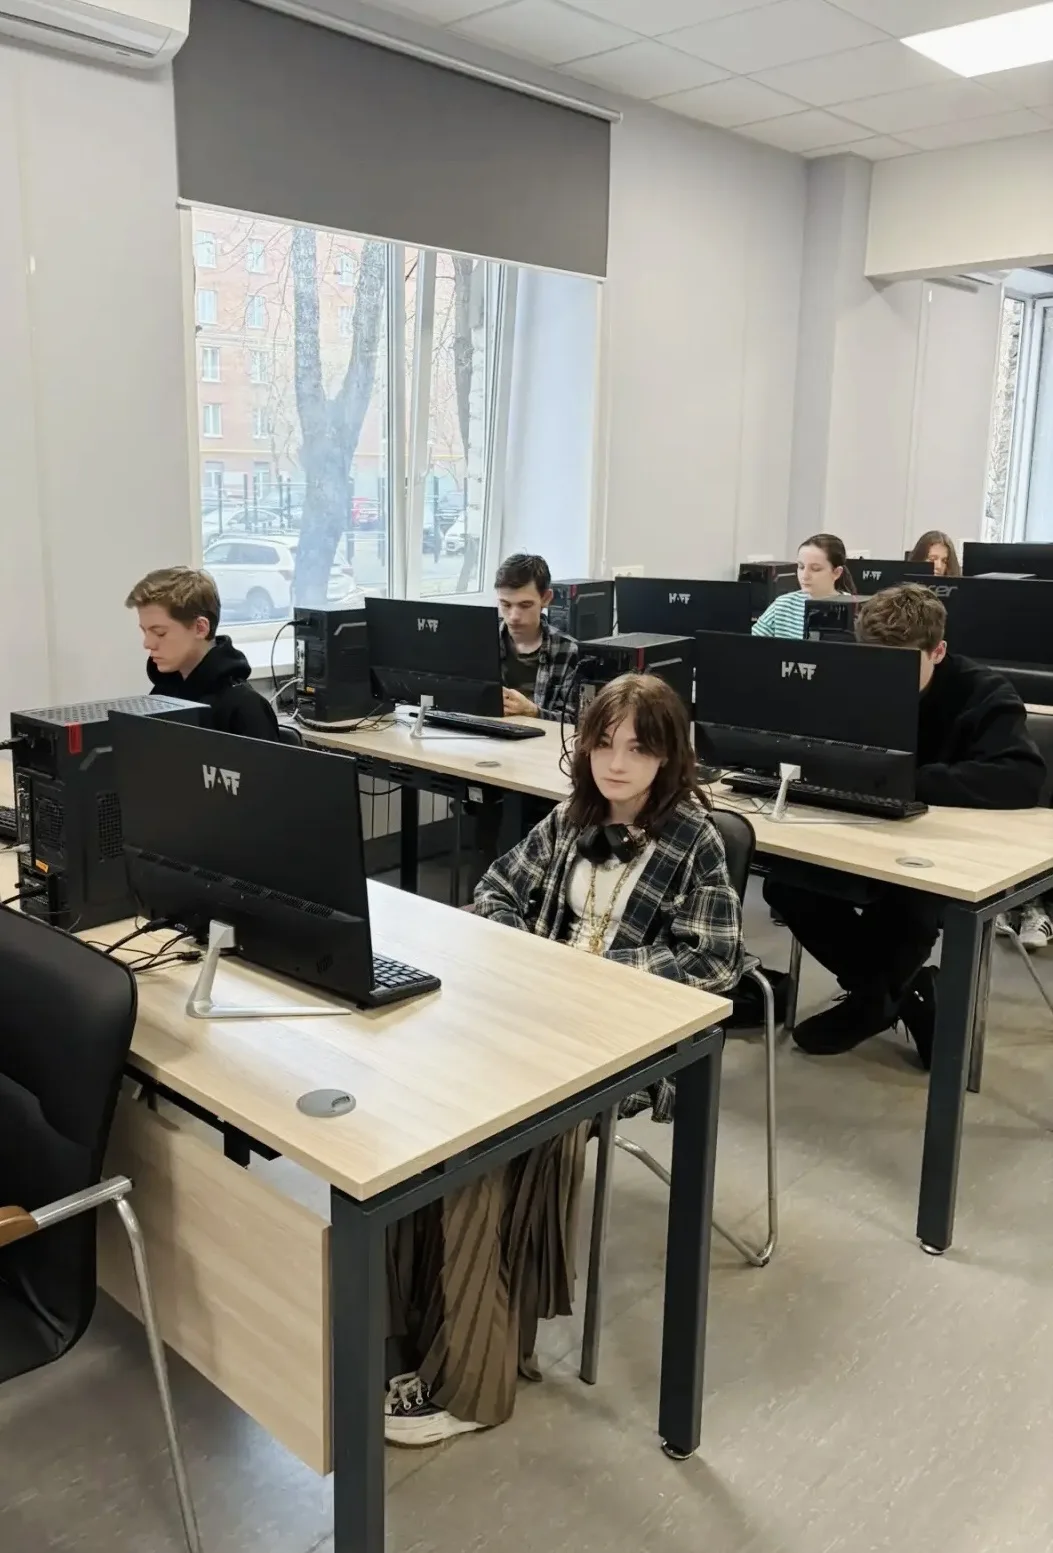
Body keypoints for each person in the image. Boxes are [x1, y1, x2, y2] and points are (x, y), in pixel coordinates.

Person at [384, 674, 743, 1448]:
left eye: (637, 749)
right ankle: (408, 1333)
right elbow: (493, 894)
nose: (615, 763)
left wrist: (594, 975)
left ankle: (472, 1379)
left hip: (625, 1046)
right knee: (423, 1121)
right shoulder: (569, 817)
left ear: (668, 756)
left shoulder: (694, 841)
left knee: (487, 1146)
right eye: (602, 743)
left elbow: (714, 962)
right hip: (530, 1016)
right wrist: (537, 963)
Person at [764, 584, 1045, 1067]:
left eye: (900, 666)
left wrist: (907, 781)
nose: (883, 680)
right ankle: (901, 994)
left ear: (938, 651)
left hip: (946, 847)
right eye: (875, 663)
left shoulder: (984, 692)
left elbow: (1021, 778)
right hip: (862, 832)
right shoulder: (854, 680)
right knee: (785, 886)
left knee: (909, 906)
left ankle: (873, 1002)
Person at [126, 566, 280, 740]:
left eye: (160, 633)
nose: (147, 644)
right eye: (145, 631)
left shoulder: (245, 708)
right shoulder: (163, 693)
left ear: (200, 628)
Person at [495, 553, 579, 721]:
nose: (513, 616)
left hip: (541, 737)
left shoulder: (569, 651)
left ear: (546, 598)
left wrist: (533, 712)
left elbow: (575, 722)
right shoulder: (481, 642)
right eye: (506, 604)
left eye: (525, 605)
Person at [752, 534, 855, 639]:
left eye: (815, 569)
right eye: (801, 567)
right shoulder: (782, 605)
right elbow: (750, 643)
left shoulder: (854, 609)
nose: (805, 576)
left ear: (836, 573)